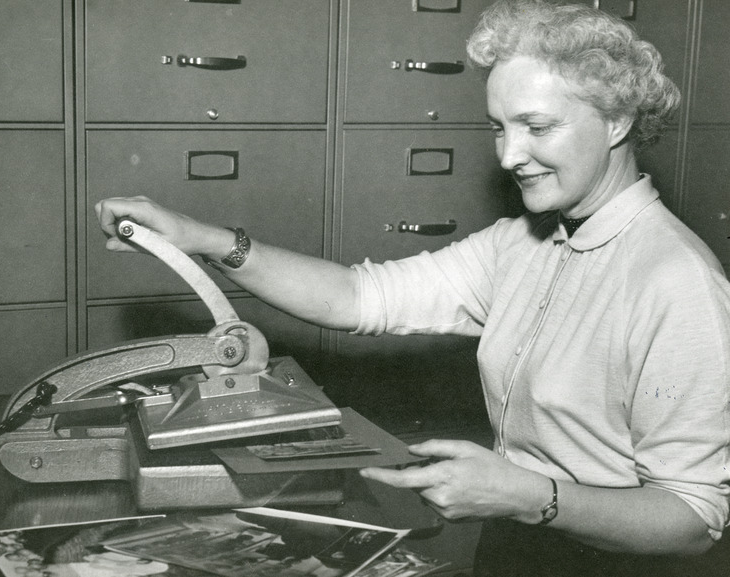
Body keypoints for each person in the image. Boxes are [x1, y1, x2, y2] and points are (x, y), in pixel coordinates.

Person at [94, 1, 730, 575]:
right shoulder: (527, 241)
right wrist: (197, 237)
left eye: (537, 127)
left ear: (617, 121)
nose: (509, 156)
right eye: (498, 127)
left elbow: (693, 520)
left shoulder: (676, 282)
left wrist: (532, 496)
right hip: (517, 546)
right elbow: (355, 296)